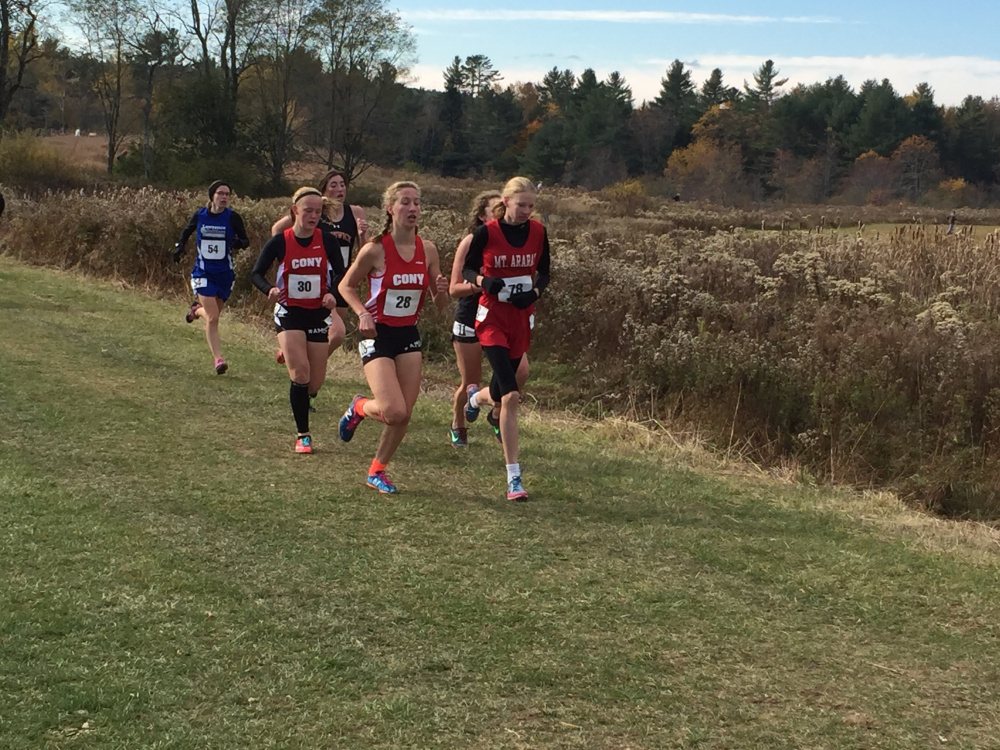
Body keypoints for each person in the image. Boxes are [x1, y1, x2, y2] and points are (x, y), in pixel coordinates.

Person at [337, 181, 449, 494]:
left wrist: (441, 292)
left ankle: (377, 470)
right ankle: (359, 408)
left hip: (408, 334)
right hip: (377, 333)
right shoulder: (375, 249)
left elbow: (440, 304)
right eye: (405, 202)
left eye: (417, 203)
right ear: (390, 208)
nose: (413, 209)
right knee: (393, 411)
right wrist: (362, 314)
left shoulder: (427, 249)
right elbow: (346, 286)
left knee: (403, 416)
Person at [462, 176, 550, 501]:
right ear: (506, 201)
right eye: (521, 204)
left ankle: (475, 399)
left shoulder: (539, 233)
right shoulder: (487, 232)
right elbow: (467, 271)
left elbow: (545, 272)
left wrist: (535, 292)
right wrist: (486, 282)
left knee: (501, 389)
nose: (526, 211)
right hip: (492, 318)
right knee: (511, 396)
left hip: (520, 318)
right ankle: (514, 478)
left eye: (531, 205)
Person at [250, 187, 347, 453]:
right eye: (308, 211)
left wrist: (331, 293)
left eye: (318, 212)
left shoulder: (326, 241)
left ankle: (289, 353)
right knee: (300, 375)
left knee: (314, 383)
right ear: (295, 211)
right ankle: (303, 434)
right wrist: (269, 289)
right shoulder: (280, 241)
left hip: (317, 314)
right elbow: (256, 273)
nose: (314, 216)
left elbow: (343, 274)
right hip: (289, 312)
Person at [448, 190, 529, 446]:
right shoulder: (471, 241)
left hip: (502, 319)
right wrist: (483, 285)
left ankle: (495, 412)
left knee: (520, 372)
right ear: (483, 215)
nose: (502, 214)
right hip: (471, 316)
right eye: (496, 209)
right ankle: (458, 422)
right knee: (470, 380)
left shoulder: (514, 241)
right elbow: (454, 289)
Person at [271, 168, 369, 367]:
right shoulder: (314, 211)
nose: (339, 189)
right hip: (317, 278)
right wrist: (286, 257)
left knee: (327, 333)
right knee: (338, 332)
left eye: (342, 185)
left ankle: (300, 359)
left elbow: (364, 250)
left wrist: (362, 234)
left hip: (341, 280)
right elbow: (277, 229)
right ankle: (306, 366)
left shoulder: (355, 212)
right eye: (333, 185)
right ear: (324, 190)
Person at [173, 180, 250, 374]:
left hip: (224, 274)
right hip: (203, 272)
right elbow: (187, 231)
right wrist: (179, 246)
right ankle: (218, 360)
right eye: (220, 193)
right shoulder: (200, 215)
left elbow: (245, 240)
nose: (224, 197)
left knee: (213, 317)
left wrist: (238, 243)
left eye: (227, 194)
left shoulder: (233, 217)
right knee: (214, 318)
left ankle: (196, 311)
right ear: (212, 196)